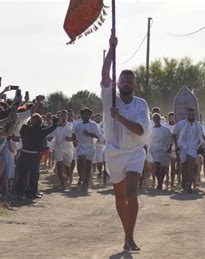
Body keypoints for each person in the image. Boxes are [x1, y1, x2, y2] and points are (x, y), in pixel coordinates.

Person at [101, 34, 151, 251]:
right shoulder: (109, 97)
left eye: (130, 81)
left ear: (134, 85)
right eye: (123, 80)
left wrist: (119, 117)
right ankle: (126, 234)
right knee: (120, 196)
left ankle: (129, 238)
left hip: (134, 152)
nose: (126, 84)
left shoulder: (141, 104)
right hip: (113, 153)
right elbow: (104, 74)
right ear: (118, 83)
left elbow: (139, 129)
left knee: (132, 192)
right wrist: (112, 48)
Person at [16, 114, 57, 199]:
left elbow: (21, 131)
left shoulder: (24, 128)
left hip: (24, 154)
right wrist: (55, 123)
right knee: (34, 175)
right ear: (40, 122)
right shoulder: (41, 131)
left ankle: (20, 191)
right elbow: (50, 129)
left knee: (23, 174)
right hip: (34, 155)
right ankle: (32, 192)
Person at [173, 107, 205, 193]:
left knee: (191, 166)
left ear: (195, 115)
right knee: (184, 167)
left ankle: (189, 185)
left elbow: (202, 136)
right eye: (189, 115)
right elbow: (174, 134)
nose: (191, 116)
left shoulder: (198, 125)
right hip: (182, 147)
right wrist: (176, 145)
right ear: (187, 115)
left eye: (193, 115)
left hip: (193, 148)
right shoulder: (181, 124)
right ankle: (184, 180)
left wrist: (202, 146)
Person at [73, 108, 101, 189]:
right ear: (81, 115)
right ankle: (82, 177)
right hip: (80, 146)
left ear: (90, 116)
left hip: (90, 147)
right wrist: (74, 141)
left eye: (87, 114)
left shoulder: (93, 125)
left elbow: (98, 136)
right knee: (81, 161)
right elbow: (73, 133)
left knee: (88, 166)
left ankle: (86, 181)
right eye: (84, 114)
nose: (86, 116)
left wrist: (89, 134)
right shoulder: (78, 124)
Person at [149, 113, 172, 190]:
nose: (156, 120)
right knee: (157, 166)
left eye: (157, 118)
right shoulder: (150, 130)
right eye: (154, 118)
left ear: (159, 119)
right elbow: (148, 141)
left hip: (163, 151)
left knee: (163, 168)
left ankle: (161, 181)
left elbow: (171, 140)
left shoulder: (165, 130)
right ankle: (159, 183)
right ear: (153, 120)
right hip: (154, 151)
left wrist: (169, 148)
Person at [51, 110, 74, 187]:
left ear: (67, 116)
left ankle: (69, 176)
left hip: (68, 148)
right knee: (59, 164)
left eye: (65, 115)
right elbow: (51, 135)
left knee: (67, 167)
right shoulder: (55, 126)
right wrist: (49, 138)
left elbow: (75, 137)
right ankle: (62, 182)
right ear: (59, 116)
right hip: (58, 148)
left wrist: (70, 139)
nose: (63, 117)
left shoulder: (71, 125)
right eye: (62, 115)